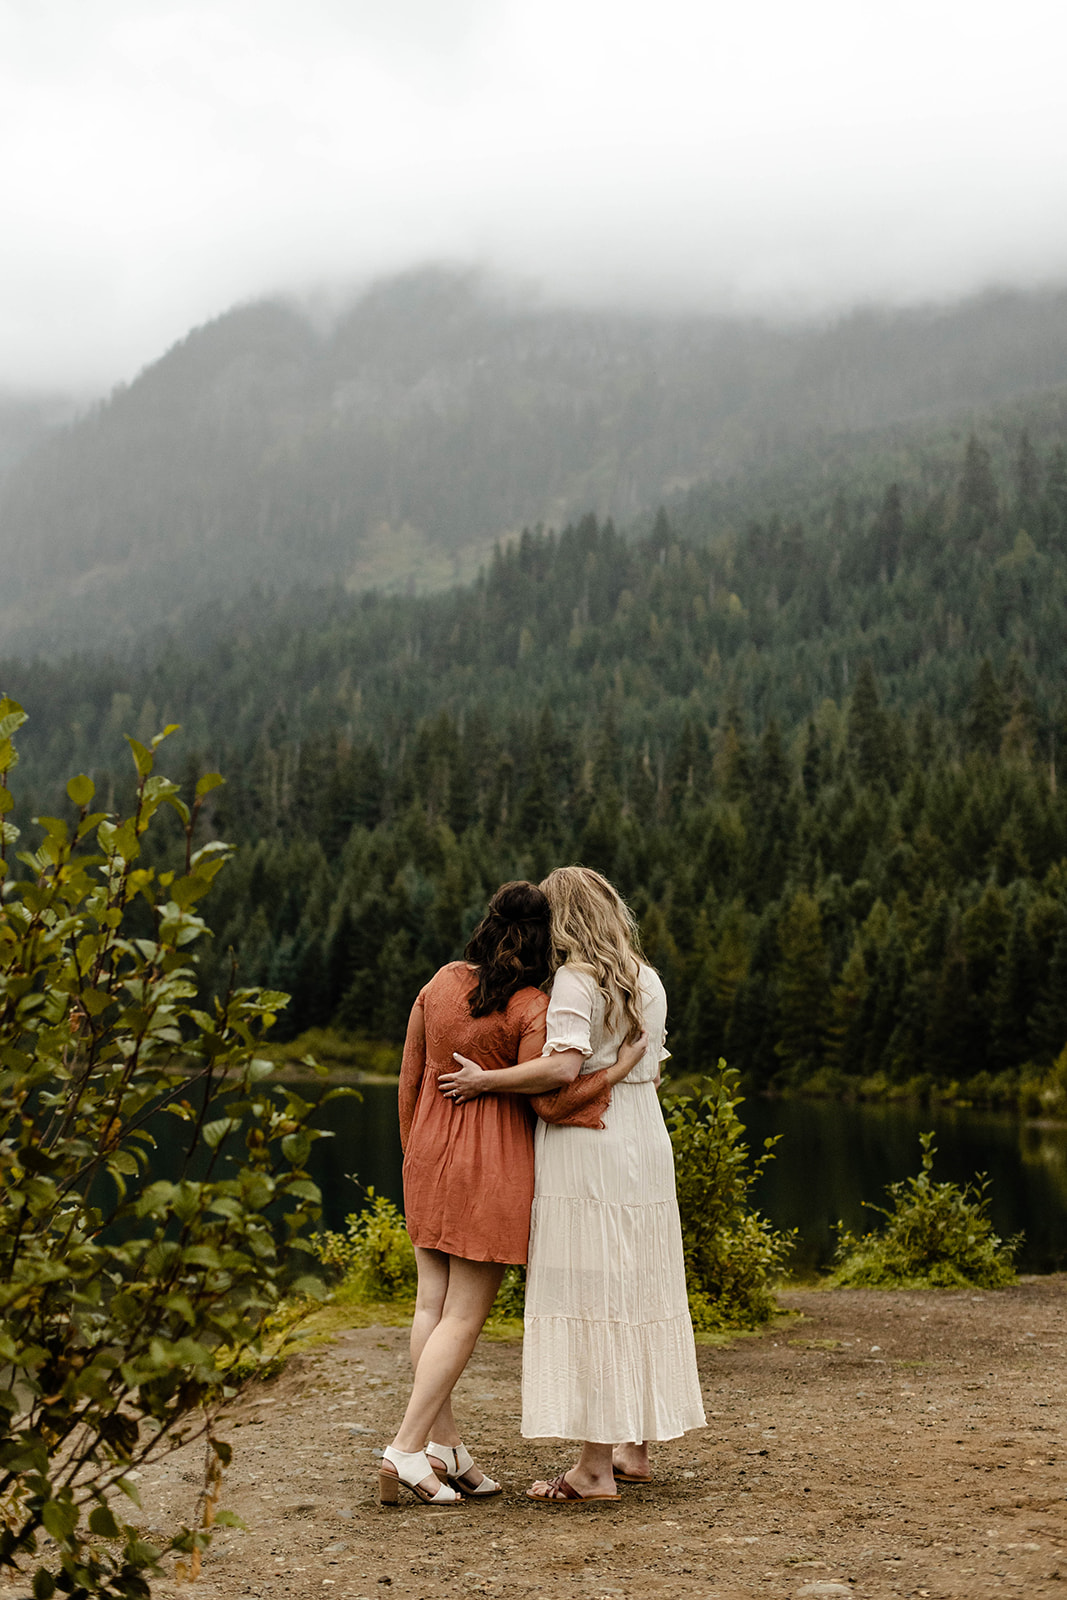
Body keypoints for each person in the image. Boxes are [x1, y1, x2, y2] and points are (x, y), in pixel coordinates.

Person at [440, 865, 705, 1502]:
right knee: (639, 1280)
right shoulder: (650, 980)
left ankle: (592, 1469)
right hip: (645, 1138)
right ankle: (632, 1447)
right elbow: (654, 1071)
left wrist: (485, 1081)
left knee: (591, 1289)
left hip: (588, 1145)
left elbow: (559, 1068)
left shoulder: (574, 983)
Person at [379, 880, 642, 1506]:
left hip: (427, 1152)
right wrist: (618, 1071)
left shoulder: (440, 981)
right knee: (465, 1316)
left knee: (429, 1309)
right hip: (489, 1166)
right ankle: (408, 1449)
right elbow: (553, 1096)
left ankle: (446, 1449)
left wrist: (413, 1153)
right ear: (545, 940)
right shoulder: (530, 1006)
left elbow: (409, 1076)